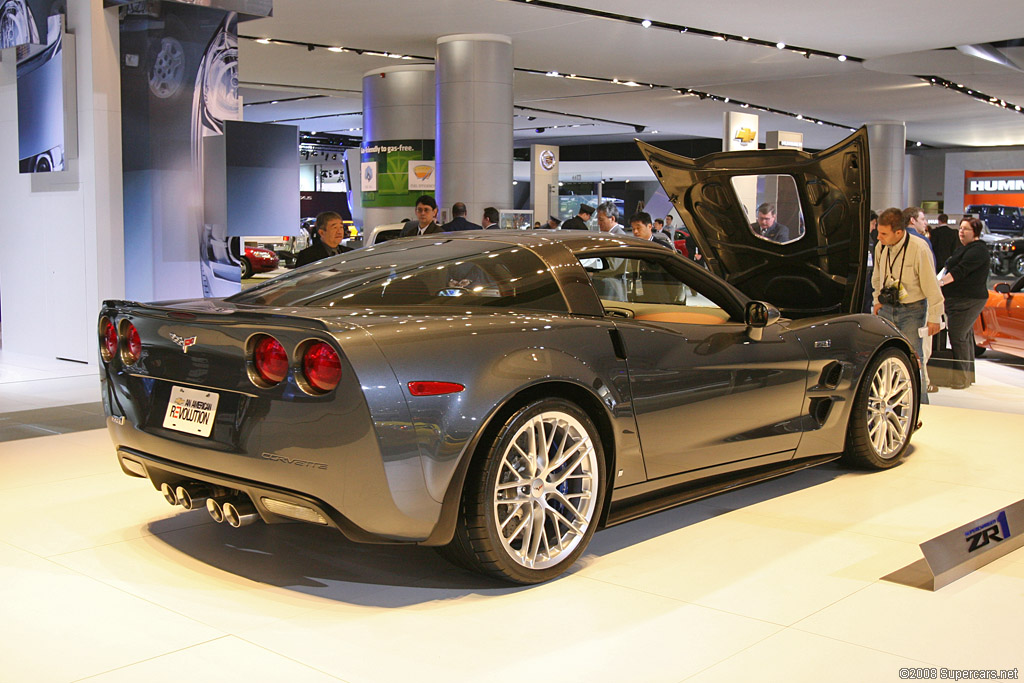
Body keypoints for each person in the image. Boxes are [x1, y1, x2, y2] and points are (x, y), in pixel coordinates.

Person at [871, 207, 944, 402]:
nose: (879, 237)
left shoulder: (919, 248)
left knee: (914, 359)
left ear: (899, 232)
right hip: (887, 308)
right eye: (879, 232)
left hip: (913, 310)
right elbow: (877, 277)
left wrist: (934, 317)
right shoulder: (881, 247)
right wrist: (877, 300)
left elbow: (931, 285)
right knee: (887, 358)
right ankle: (894, 402)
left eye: (884, 233)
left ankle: (920, 403)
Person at [938, 216, 990, 389]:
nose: (961, 231)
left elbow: (961, 271)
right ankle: (966, 377)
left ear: (975, 231)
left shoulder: (978, 250)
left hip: (967, 299)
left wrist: (940, 283)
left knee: (958, 336)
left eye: (966, 229)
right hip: (959, 299)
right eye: (960, 228)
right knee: (964, 336)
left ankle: (961, 379)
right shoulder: (966, 248)